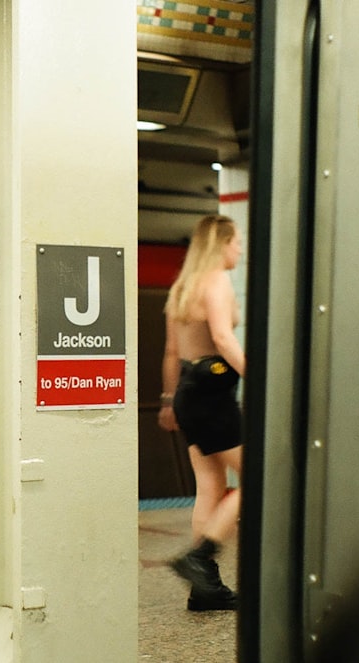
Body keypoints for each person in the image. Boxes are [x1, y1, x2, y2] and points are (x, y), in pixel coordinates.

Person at [157, 214, 244, 612]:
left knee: (209, 487)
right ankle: (200, 556)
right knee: (261, 479)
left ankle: (203, 590)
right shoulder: (217, 281)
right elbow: (224, 338)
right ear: (222, 243)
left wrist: (169, 400)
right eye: (236, 242)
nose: (239, 250)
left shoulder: (182, 287)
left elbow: (173, 353)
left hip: (190, 395)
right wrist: (256, 375)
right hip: (213, 396)